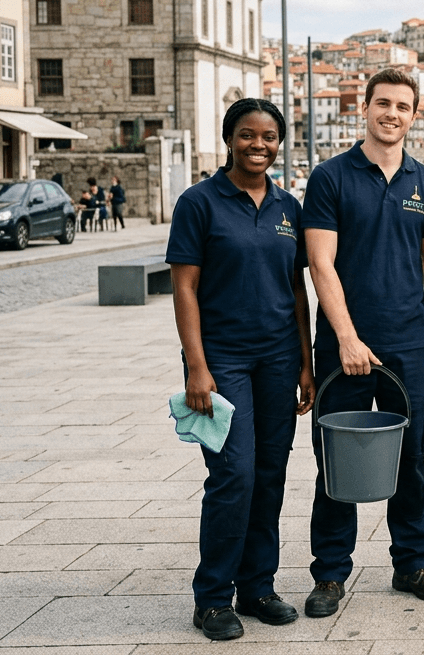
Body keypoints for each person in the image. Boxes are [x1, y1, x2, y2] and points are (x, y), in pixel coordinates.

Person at [300, 68, 424, 617]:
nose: (392, 114)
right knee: (334, 460)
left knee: (410, 457)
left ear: (415, 115)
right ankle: (331, 574)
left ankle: (412, 562)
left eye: (403, 106)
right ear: (364, 108)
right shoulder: (330, 177)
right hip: (341, 345)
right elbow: (321, 264)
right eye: (383, 103)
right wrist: (346, 336)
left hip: (408, 341)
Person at [167, 98, 315, 640]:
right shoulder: (199, 202)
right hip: (222, 360)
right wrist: (196, 368)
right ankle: (211, 598)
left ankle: (257, 587)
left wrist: (306, 361)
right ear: (230, 138)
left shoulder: (286, 207)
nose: (259, 145)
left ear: (280, 142)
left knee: (271, 474)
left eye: (270, 136)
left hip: (279, 358)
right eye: (248, 135)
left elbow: (296, 289)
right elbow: (184, 288)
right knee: (234, 475)